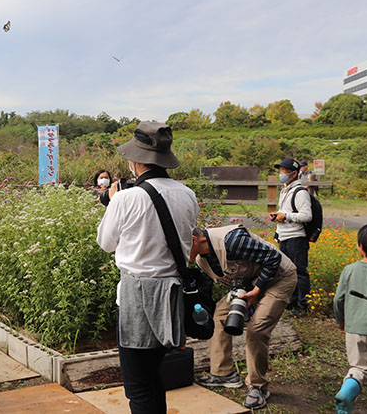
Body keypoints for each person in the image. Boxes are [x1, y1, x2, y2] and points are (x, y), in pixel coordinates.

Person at [96, 121, 198, 414]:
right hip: (171, 293)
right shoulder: (187, 194)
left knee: (138, 385)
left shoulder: (126, 198)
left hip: (137, 296)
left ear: (135, 161)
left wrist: (113, 202)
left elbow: (106, 243)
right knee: (155, 376)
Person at [192, 225, 297, 409]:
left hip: (279, 279)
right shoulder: (202, 261)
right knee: (219, 315)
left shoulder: (232, 240)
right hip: (248, 285)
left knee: (257, 329)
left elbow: (273, 258)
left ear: (193, 241)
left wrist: (256, 292)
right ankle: (224, 374)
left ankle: (258, 387)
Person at [333, 223, 367, 414]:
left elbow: (338, 299)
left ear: (360, 246)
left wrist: (341, 320)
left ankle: (345, 396)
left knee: (359, 368)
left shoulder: (348, 269)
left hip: (353, 328)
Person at [271, 158, 312, 316]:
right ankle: (292, 302)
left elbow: (307, 216)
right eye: (280, 170)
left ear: (294, 174)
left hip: (296, 237)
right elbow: (286, 212)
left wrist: (286, 216)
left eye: (284, 171)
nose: (281, 174)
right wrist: (278, 218)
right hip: (285, 236)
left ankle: (303, 305)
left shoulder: (301, 192)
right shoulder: (284, 190)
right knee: (287, 272)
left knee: (300, 272)